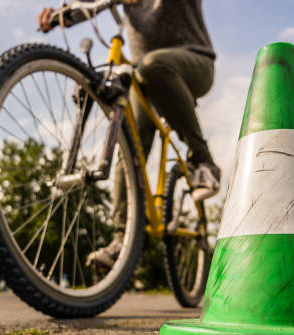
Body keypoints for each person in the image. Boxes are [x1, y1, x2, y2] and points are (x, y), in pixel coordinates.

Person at [38, 0, 220, 268]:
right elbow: (90, 5)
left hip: (195, 63)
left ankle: (203, 162)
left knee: (152, 65)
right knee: (127, 147)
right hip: (143, 78)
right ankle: (123, 239)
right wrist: (59, 16)